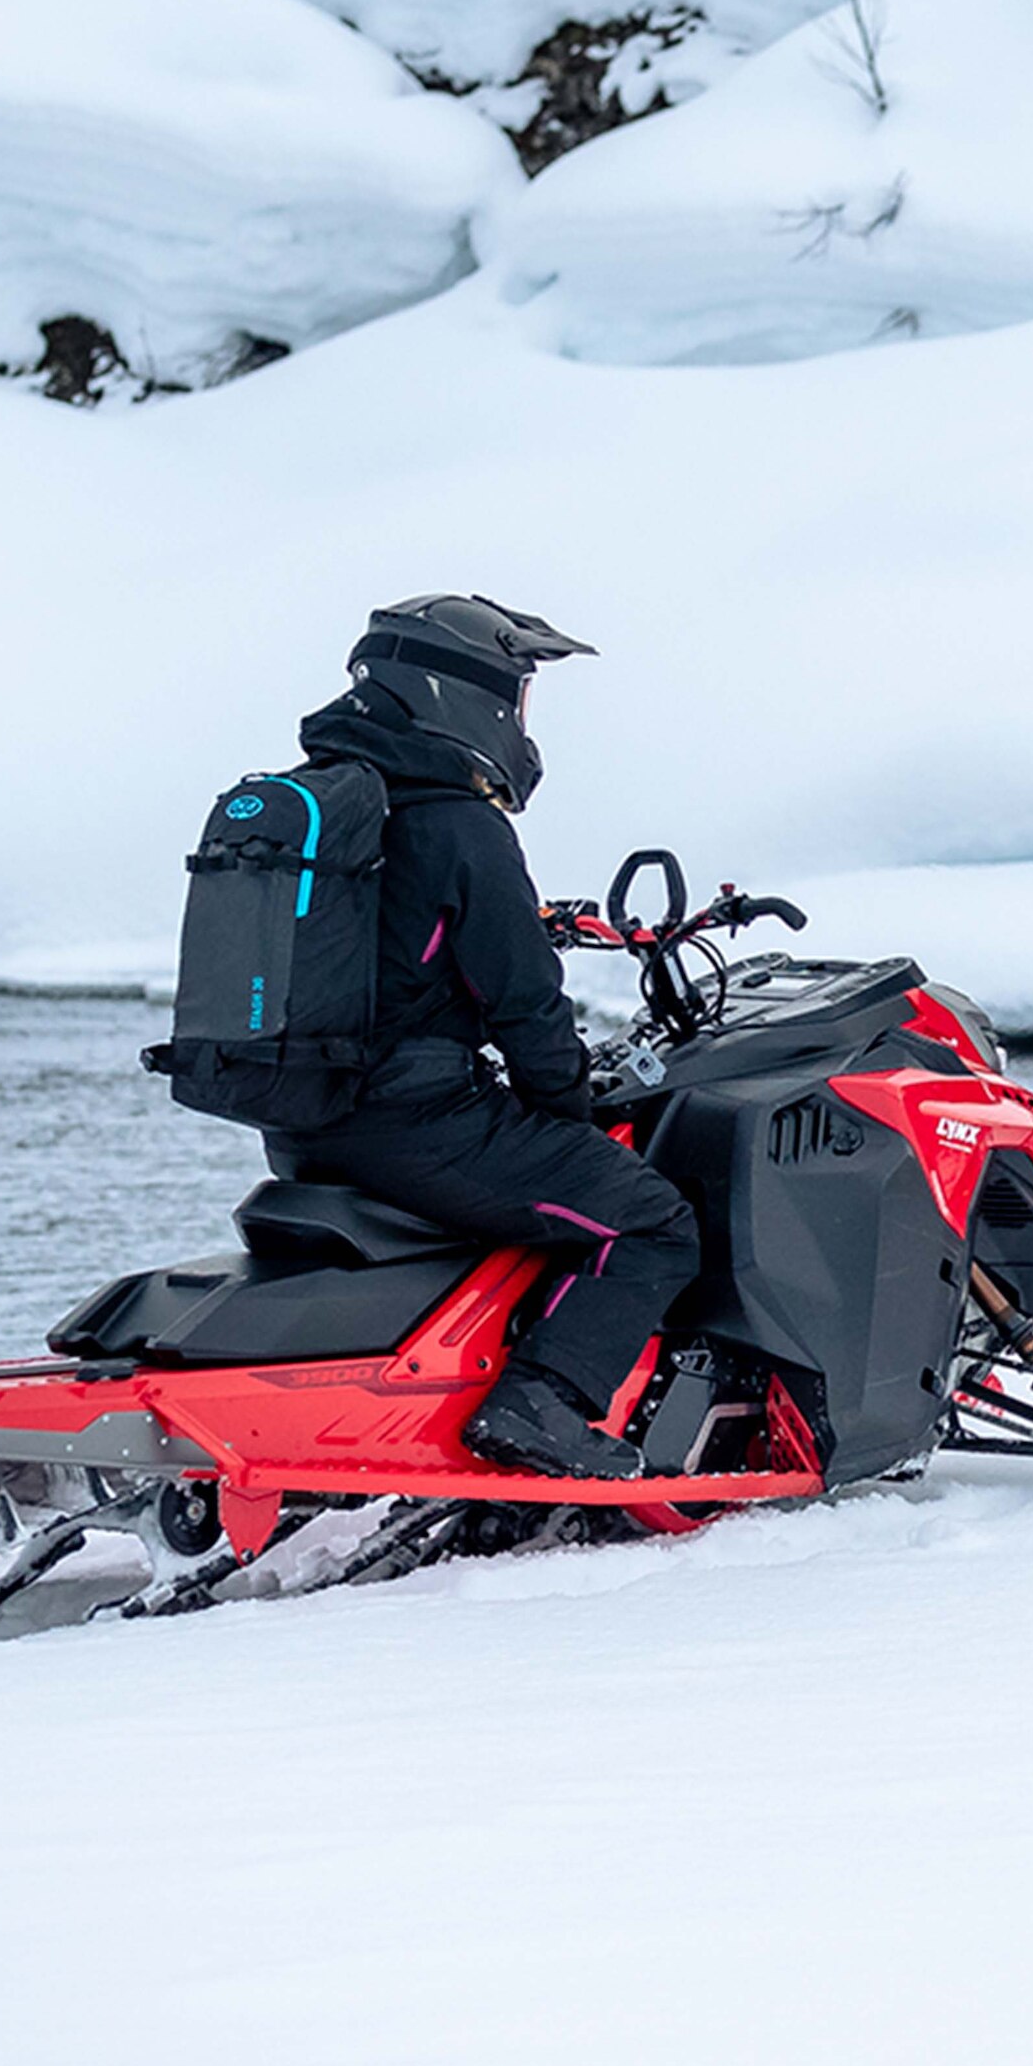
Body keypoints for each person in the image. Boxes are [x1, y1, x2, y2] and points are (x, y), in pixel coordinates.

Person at [272, 596, 697, 1478]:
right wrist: (567, 1111)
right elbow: (529, 1008)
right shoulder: (460, 825)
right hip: (420, 1124)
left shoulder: (337, 809)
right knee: (653, 1218)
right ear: (462, 696)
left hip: (308, 1120)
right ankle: (540, 1402)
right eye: (520, 695)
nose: (523, 718)